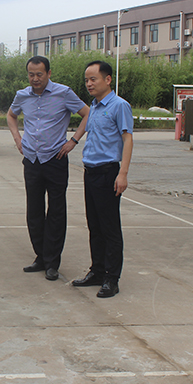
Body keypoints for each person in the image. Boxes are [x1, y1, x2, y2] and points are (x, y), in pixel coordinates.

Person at [7, 56, 90, 282]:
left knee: (56, 211)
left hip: (55, 159)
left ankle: (52, 262)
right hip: (32, 160)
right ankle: (41, 257)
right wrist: (17, 138)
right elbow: (11, 115)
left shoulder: (64, 93)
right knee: (34, 211)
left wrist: (73, 141)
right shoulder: (22, 95)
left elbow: (87, 113)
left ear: (49, 73)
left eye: (39, 74)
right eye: (31, 75)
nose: (35, 79)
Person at [71, 60, 133, 298]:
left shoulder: (119, 106)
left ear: (108, 79)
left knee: (110, 228)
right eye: (86, 80)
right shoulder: (94, 107)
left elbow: (127, 139)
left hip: (108, 173)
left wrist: (122, 173)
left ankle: (111, 278)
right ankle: (97, 271)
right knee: (94, 226)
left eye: (93, 79)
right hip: (91, 172)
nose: (89, 84)